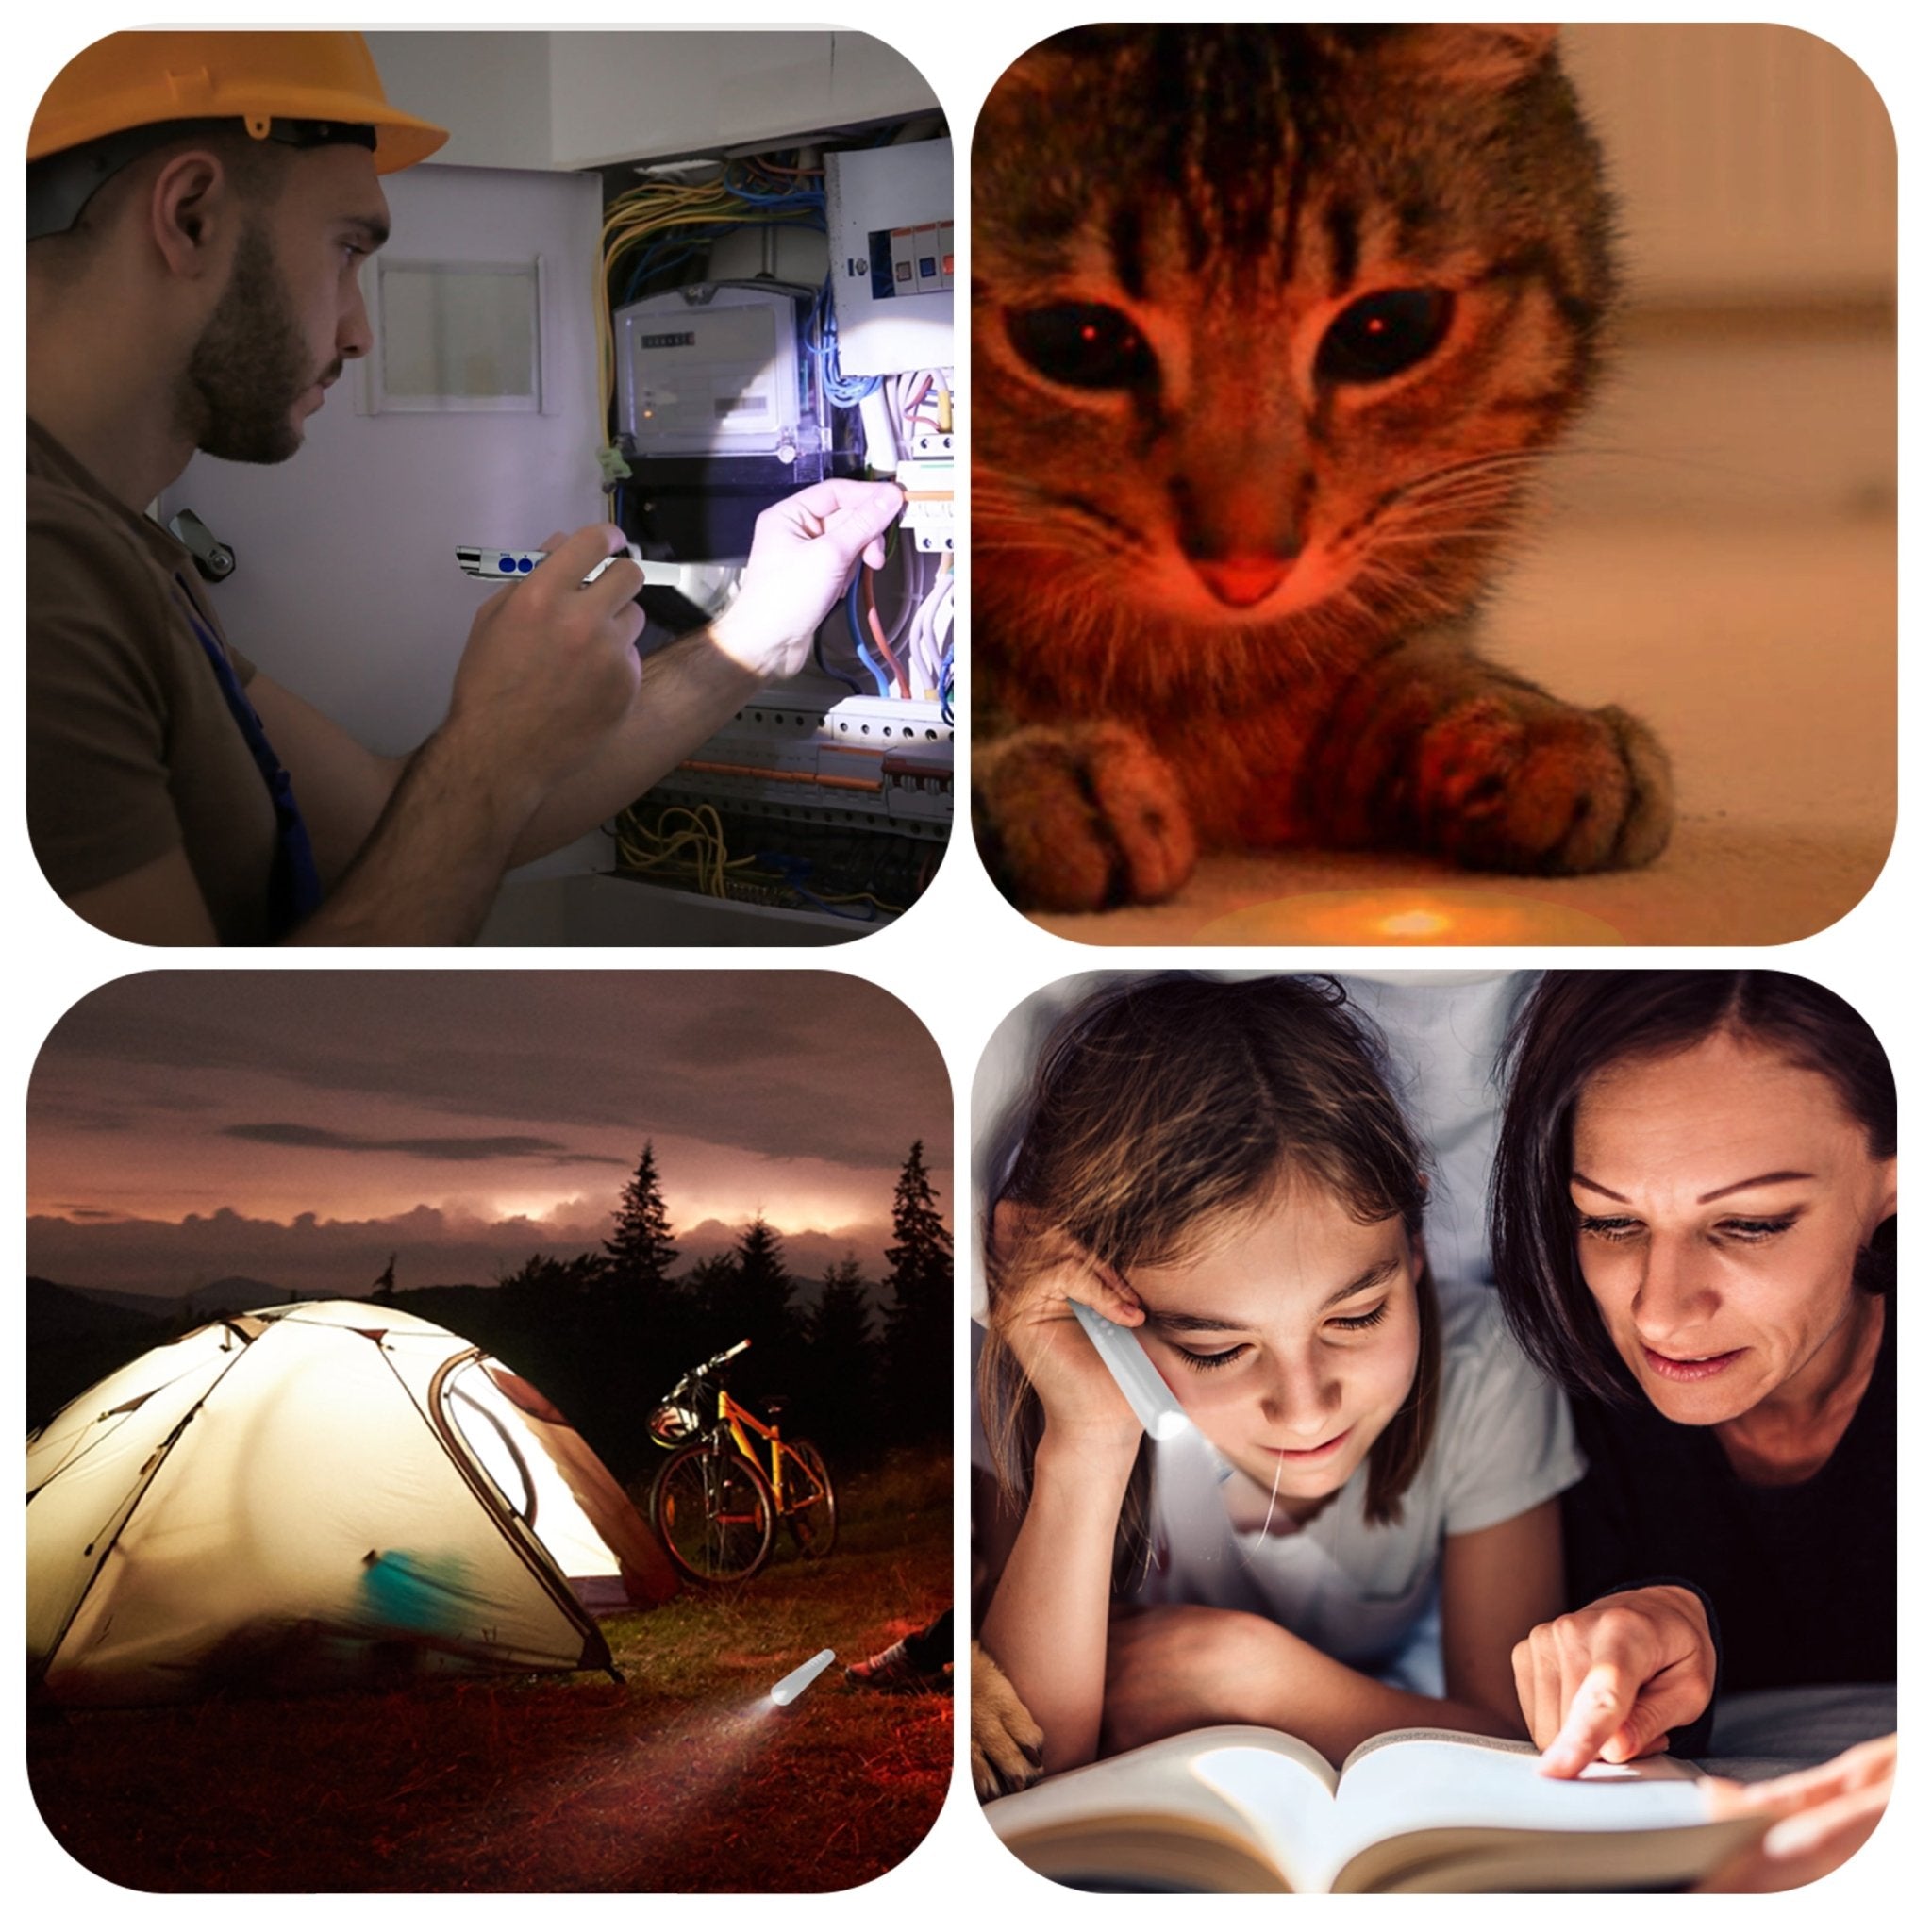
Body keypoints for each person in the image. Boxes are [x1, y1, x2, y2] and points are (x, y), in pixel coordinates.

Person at [26, 31, 905, 944]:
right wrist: (489, 745)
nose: (360, 331)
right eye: (345, 249)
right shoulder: (44, 585)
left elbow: (385, 826)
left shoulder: (121, 556)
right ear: (192, 216)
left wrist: (755, 640)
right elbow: (215, 1052)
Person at [975, 974, 1582, 1776]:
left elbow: (1528, 1745)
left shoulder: (1488, 1370)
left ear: (1415, 1243)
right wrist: (1087, 1441)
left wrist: (1256, 1680)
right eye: (1216, 1349)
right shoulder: (1038, 1387)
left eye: (1358, 1316)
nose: (1306, 1412)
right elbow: (1029, 1772)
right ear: (1083, 1307)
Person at [1489, 970, 1895, 1888]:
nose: (1661, 1313)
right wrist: (1650, 1622)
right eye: (1609, 1220)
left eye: (1747, 1223)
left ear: (1889, 1182)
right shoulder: (1550, 1383)